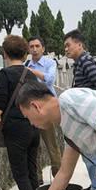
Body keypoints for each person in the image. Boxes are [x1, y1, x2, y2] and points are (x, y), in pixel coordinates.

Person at [0, 35, 40, 190]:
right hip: (33, 126)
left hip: (16, 129)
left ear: (5, 53)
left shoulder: (5, 74)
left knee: (20, 173)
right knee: (32, 171)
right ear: (24, 54)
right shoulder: (31, 75)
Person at [63, 29, 96, 190]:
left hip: (90, 114)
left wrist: (90, 104)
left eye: (68, 45)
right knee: (88, 152)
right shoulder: (80, 62)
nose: (66, 49)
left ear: (79, 44)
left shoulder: (86, 61)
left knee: (89, 152)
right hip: (86, 114)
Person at [26, 36, 61, 178]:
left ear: (43, 48)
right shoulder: (26, 65)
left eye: (37, 46)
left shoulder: (50, 63)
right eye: (31, 46)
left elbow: (49, 79)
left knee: (52, 147)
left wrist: (32, 72)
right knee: (34, 146)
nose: (34, 49)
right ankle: (37, 178)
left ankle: (59, 179)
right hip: (31, 111)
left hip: (47, 110)